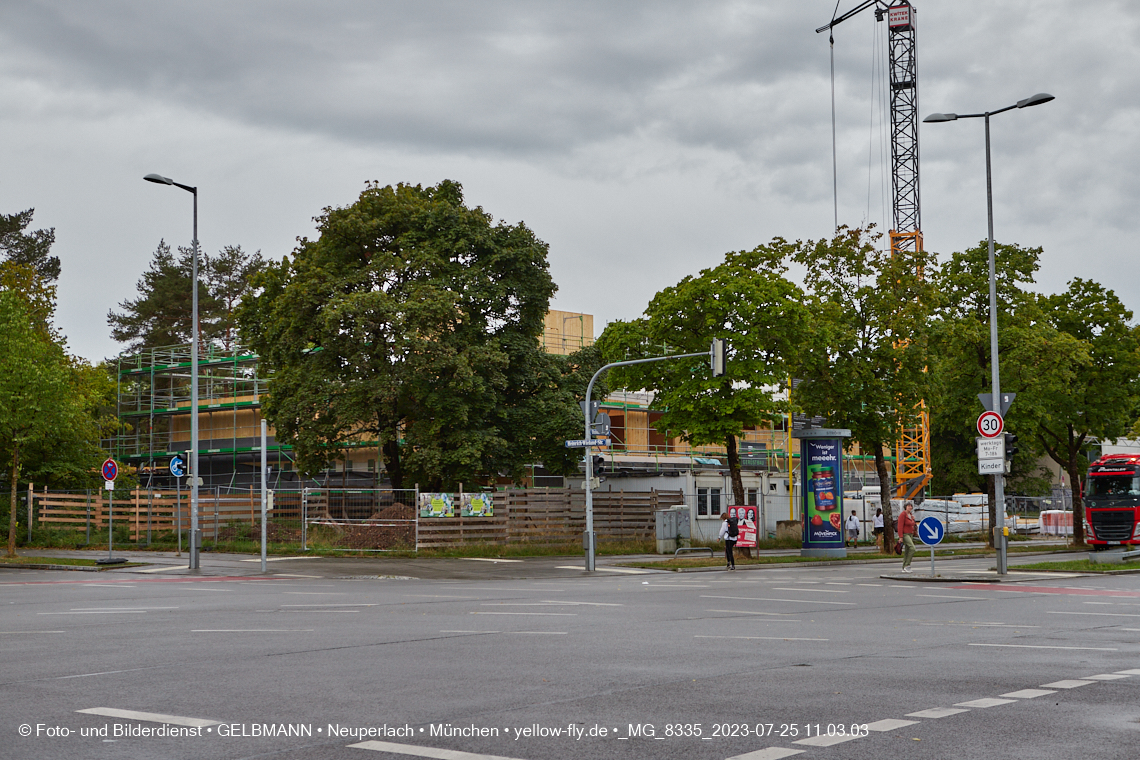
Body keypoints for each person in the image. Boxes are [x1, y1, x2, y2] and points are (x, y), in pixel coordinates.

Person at [898, 501, 917, 572]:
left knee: (907, 550)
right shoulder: (903, 514)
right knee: (912, 548)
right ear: (905, 507)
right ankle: (907, 565)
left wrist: (913, 519)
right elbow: (900, 526)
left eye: (911, 506)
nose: (910, 507)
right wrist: (901, 537)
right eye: (908, 506)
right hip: (905, 534)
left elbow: (912, 524)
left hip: (910, 534)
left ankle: (904, 567)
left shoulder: (911, 515)